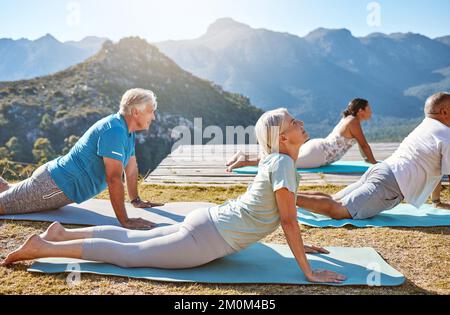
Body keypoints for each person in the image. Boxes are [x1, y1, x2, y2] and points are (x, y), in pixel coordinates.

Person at [1, 108, 346, 284]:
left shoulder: (275, 159)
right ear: (284, 139)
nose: (301, 124)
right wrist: (308, 271)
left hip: (207, 222)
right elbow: (285, 219)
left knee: (132, 240)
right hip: (207, 237)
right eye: (294, 122)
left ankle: (62, 233)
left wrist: (301, 244)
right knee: (128, 255)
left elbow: (277, 212)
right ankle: (43, 247)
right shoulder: (283, 164)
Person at [0, 88, 163, 230]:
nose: (153, 117)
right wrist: (125, 221)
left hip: (53, 179)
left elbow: (131, 167)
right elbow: (113, 178)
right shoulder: (115, 131)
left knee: (6, 190)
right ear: (136, 112)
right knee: (3, 205)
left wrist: (135, 200)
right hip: (54, 186)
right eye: (150, 111)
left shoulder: (127, 130)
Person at [296, 92, 450, 220]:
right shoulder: (446, 135)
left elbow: (437, 170)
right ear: (444, 112)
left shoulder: (425, 126)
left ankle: (286, 195)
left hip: (382, 170)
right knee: (338, 210)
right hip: (391, 183)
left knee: (334, 199)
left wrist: (436, 201)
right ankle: (281, 198)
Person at [226, 98, 377, 172]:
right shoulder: (353, 122)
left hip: (318, 148)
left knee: (279, 157)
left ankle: (244, 156)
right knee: (281, 164)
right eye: (369, 108)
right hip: (319, 154)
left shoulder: (349, 120)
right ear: (360, 111)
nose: (371, 111)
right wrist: (375, 164)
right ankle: (245, 161)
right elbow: (363, 144)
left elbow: (362, 146)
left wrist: (368, 159)